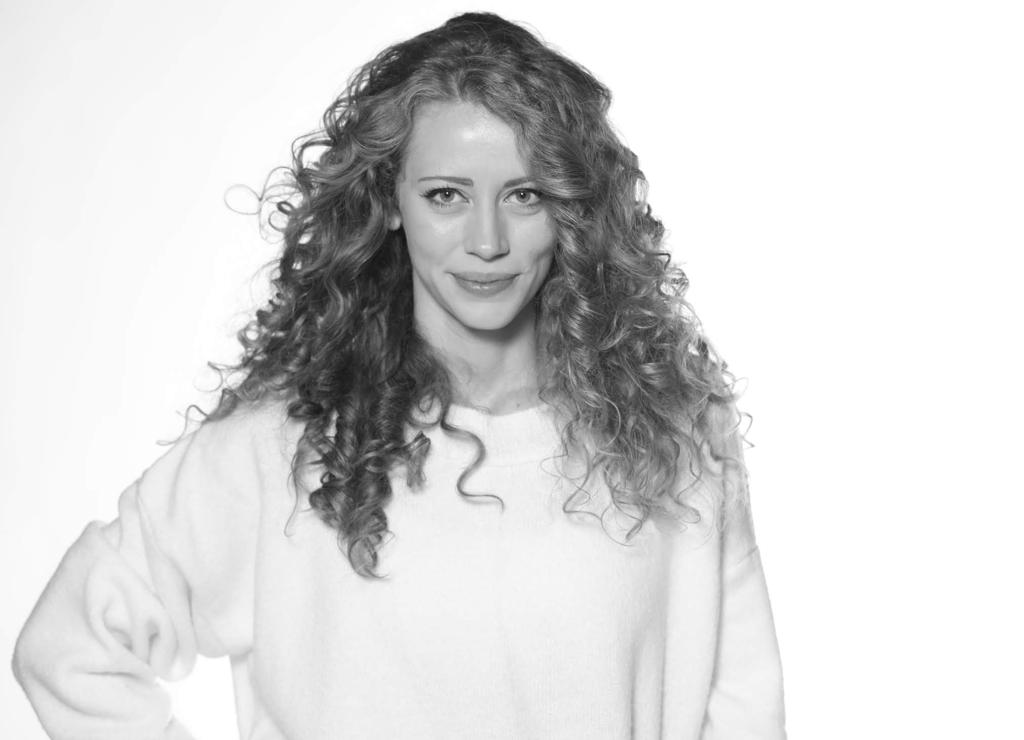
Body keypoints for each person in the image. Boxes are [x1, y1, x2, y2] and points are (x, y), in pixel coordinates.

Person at [12, 12, 785, 740]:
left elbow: (744, 714)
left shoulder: (678, 443)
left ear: (570, 209)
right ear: (389, 201)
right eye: (447, 195)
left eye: (525, 195)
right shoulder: (281, 451)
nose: (488, 241)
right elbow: (70, 649)